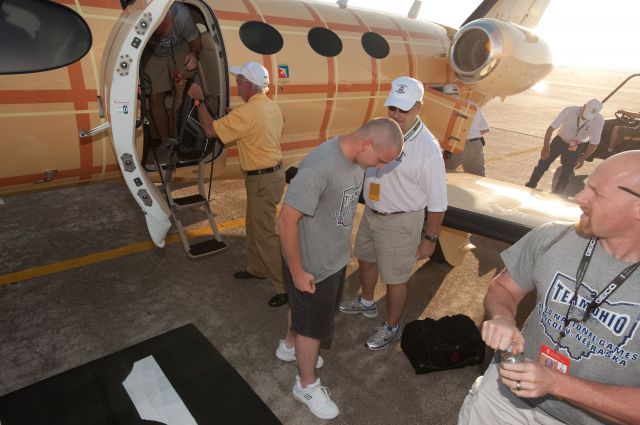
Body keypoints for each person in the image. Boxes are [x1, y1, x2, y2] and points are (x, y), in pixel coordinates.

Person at [458, 150, 640, 425]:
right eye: (586, 185)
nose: (579, 198)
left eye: (597, 193)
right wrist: (503, 318)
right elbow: (504, 288)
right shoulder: (553, 236)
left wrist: (557, 384)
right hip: (503, 400)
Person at [275, 118, 404, 419]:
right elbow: (286, 220)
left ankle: (290, 345)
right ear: (368, 144)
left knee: (307, 315)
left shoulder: (355, 160)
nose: (379, 168)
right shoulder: (322, 166)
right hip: (310, 265)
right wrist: (297, 272)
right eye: (381, 160)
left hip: (330, 259)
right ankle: (305, 384)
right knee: (313, 327)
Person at [338, 76, 447, 350]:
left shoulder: (427, 148)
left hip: (401, 221)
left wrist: (430, 239)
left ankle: (392, 327)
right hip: (373, 212)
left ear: (419, 107)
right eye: (393, 108)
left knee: (396, 278)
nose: (396, 115)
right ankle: (366, 302)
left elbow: (438, 202)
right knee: (365, 258)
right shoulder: (382, 129)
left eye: (404, 109)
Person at [187, 62, 288, 307]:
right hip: (271, 176)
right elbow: (258, 123)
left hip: (262, 179)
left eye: (239, 79)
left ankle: (285, 287)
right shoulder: (268, 106)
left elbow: (210, 130)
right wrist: (236, 116)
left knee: (265, 233)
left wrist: (199, 102)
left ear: (248, 85)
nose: (236, 83)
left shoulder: (248, 112)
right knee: (255, 228)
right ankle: (257, 269)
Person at [142, 3, 202, 145]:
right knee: (155, 98)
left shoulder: (181, 14)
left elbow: (196, 40)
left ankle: (179, 138)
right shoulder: (138, 15)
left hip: (179, 48)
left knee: (183, 92)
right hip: (152, 55)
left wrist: (194, 53)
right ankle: (166, 141)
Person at [525, 99, 604, 195]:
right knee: (543, 164)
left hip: (576, 146)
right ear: (583, 106)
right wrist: (545, 148)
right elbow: (551, 128)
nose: (586, 117)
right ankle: (530, 185)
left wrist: (583, 158)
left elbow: (594, 143)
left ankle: (557, 195)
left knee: (567, 172)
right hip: (559, 142)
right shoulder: (569, 111)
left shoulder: (599, 120)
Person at [442, 84, 490, 176]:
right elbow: (485, 129)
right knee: (477, 177)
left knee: (444, 173)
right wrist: (472, 135)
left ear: (445, 95)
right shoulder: (473, 105)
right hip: (475, 145)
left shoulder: (446, 107)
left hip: (456, 145)